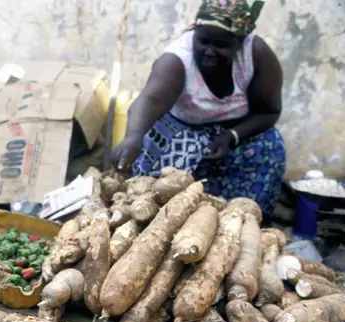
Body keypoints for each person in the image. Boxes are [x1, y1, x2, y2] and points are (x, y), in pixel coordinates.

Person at [112, 0, 284, 220]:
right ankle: (158, 219)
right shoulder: (177, 59)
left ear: (238, 43)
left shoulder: (256, 54)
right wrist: (133, 137)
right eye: (203, 41)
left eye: (221, 45)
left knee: (270, 146)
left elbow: (269, 111)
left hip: (237, 132)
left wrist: (231, 137)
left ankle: (244, 221)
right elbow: (149, 100)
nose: (209, 52)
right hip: (182, 130)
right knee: (157, 187)